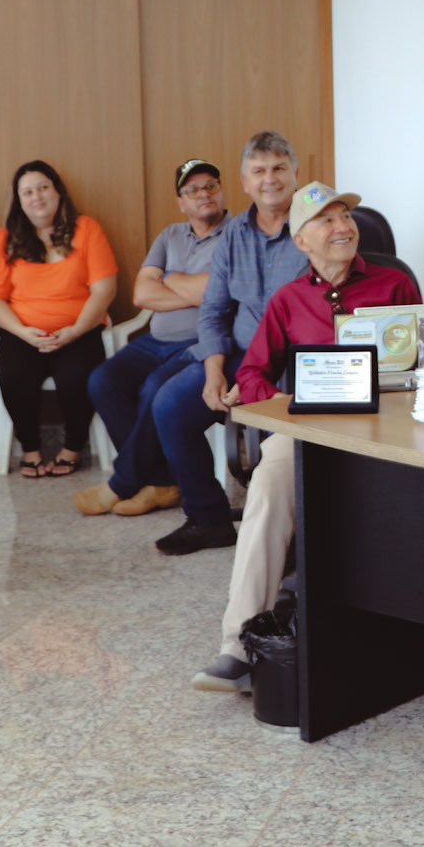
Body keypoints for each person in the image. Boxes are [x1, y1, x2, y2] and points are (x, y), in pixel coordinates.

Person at [192, 183, 421, 691]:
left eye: (346, 217)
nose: (343, 227)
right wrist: (282, 408)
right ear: (302, 241)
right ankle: (238, 648)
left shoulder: (393, 285)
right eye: (327, 220)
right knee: (270, 480)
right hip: (311, 428)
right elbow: (253, 372)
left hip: (388, 429)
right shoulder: (288, 299)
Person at [148, 132, 309, 557]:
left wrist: (257, 377)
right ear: (244, 181)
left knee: (287, 435)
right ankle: (209, 518)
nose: (269, 179)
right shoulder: (233, 235)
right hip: (240, 356)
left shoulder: (315, 226)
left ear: (296, 174)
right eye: (259, 171)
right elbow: (214, 310)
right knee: (169, 405)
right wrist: (215, 371)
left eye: (278, 168)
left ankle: (298, 531)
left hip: (299, 359)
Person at [75, 159, 228, 516]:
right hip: (155, 341)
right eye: (192, 190)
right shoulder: (169, 235)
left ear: (221, 191)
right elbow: (142, 295)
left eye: (210, 186)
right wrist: (195, 290)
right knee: (103, 381)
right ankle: (161, 481)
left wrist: (170, 278)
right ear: (181, 201)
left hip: (198, 342)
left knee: (153, 389)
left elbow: (219, 292)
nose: (203, 194)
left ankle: (125, 482)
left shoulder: (237, 233)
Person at [0, 161, 118, 478]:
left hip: (80, 328)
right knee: (13, 374)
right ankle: (30, 449)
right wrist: (23, 332)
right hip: (23, 331)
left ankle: (73, 447)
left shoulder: (87, 229)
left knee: (77, 377)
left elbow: (104, 290)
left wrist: (74, 330)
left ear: (57, 192)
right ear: (19, 200)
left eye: (43, 187)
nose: (37, 197)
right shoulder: (6, 238)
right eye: (27, 192)